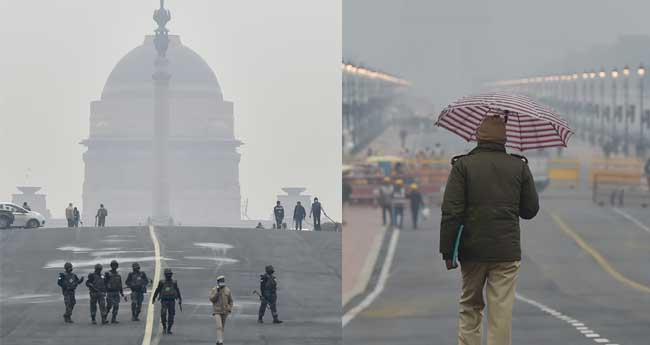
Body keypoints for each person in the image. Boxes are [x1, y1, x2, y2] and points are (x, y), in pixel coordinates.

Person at [439, 116, 539, 345]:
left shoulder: (462, 166)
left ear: (477, 136)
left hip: (471, 250)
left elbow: (452, 212)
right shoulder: (519, 166)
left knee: (470, 306)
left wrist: (448, 252)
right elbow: (530, 210)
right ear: (505, 138)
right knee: (501, 311)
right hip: (506, 252)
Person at [152, 268, 182, 334]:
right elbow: (157, 290)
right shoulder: (162, 282)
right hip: (164, 301)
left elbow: (177, 291)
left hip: (172, 301)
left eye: (169, 274)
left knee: (171, 315)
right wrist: (153, 298)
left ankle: (169, 328)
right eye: (167, 274)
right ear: (165, 275)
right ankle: (164, 326)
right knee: (163, 313)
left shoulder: (174, 282)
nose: (168, 275)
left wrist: (180, 299)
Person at [209, 275, 234, 345]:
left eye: (223, 281)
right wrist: (217, 291)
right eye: (220, 282)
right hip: (217, 311)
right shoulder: (214, 289)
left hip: (225, 311)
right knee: (219, 326)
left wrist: (229, 308)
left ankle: (219, 339)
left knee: (222, 327)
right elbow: (212, 299)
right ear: (218, 282)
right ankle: (220, 341)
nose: (222, 283)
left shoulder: (227, 290)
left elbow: (231, 301)